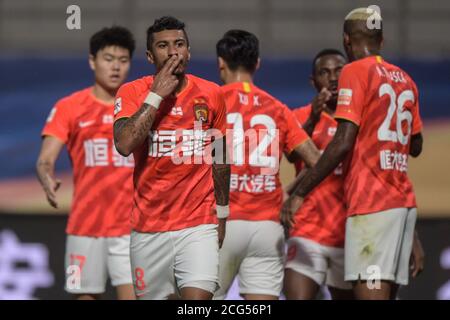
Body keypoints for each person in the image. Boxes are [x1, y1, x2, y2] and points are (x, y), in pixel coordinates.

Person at [282, 7, 425, 300]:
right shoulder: (405, 79)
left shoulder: (356, 71)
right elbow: (416, 146)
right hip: (401, 206)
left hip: (371, 208)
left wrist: (300, 192)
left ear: (347, 40)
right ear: (382, 40)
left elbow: (343, 141)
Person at [113, 16, 230, 300]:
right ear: (150, 56)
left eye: (179, 44)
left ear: (188, 51)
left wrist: (223, 214)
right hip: (148, 226)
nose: (173, 52)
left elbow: (221, 157)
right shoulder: (131, 92)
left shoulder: (211, 94)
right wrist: (155, 96)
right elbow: (125, 143)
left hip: (198, 224)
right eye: (163, 46)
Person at [213, 30, 320, 300]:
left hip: (221, 222)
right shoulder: (277, 108)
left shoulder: (210, 103)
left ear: (221, 63)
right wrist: (292, 192)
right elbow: (316, 161)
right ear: (257, 63)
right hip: (267, 228)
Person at [36, 26, 136, 300]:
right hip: (83, 229)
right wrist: (46, 176)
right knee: (82, 296)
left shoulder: (139, 108)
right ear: (92, 60)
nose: (115, 67)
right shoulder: (70, 107)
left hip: (131, 229)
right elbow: (45, 159)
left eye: (123, 60)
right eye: (108, 58)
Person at [284, 49, 354, 300]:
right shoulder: (300, 116)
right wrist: (313, 119)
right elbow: (291, 156)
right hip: (307, 232)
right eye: (325, 73)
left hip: (348, 236)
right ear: (314, 82)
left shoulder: (360, 120)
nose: (333, 78)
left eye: (339, 71)